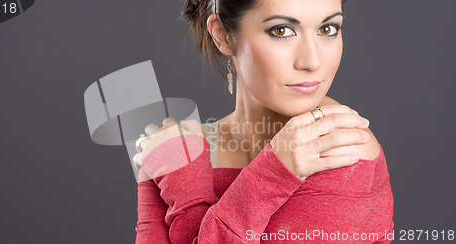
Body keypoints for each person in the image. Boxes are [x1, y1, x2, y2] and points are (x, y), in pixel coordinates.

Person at [133, 0, 394, 243]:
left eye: (328, 29)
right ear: (223, 35)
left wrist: (187, 188)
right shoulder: (176, 150)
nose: (312, 61)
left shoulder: (340, 147)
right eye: (282, 30)